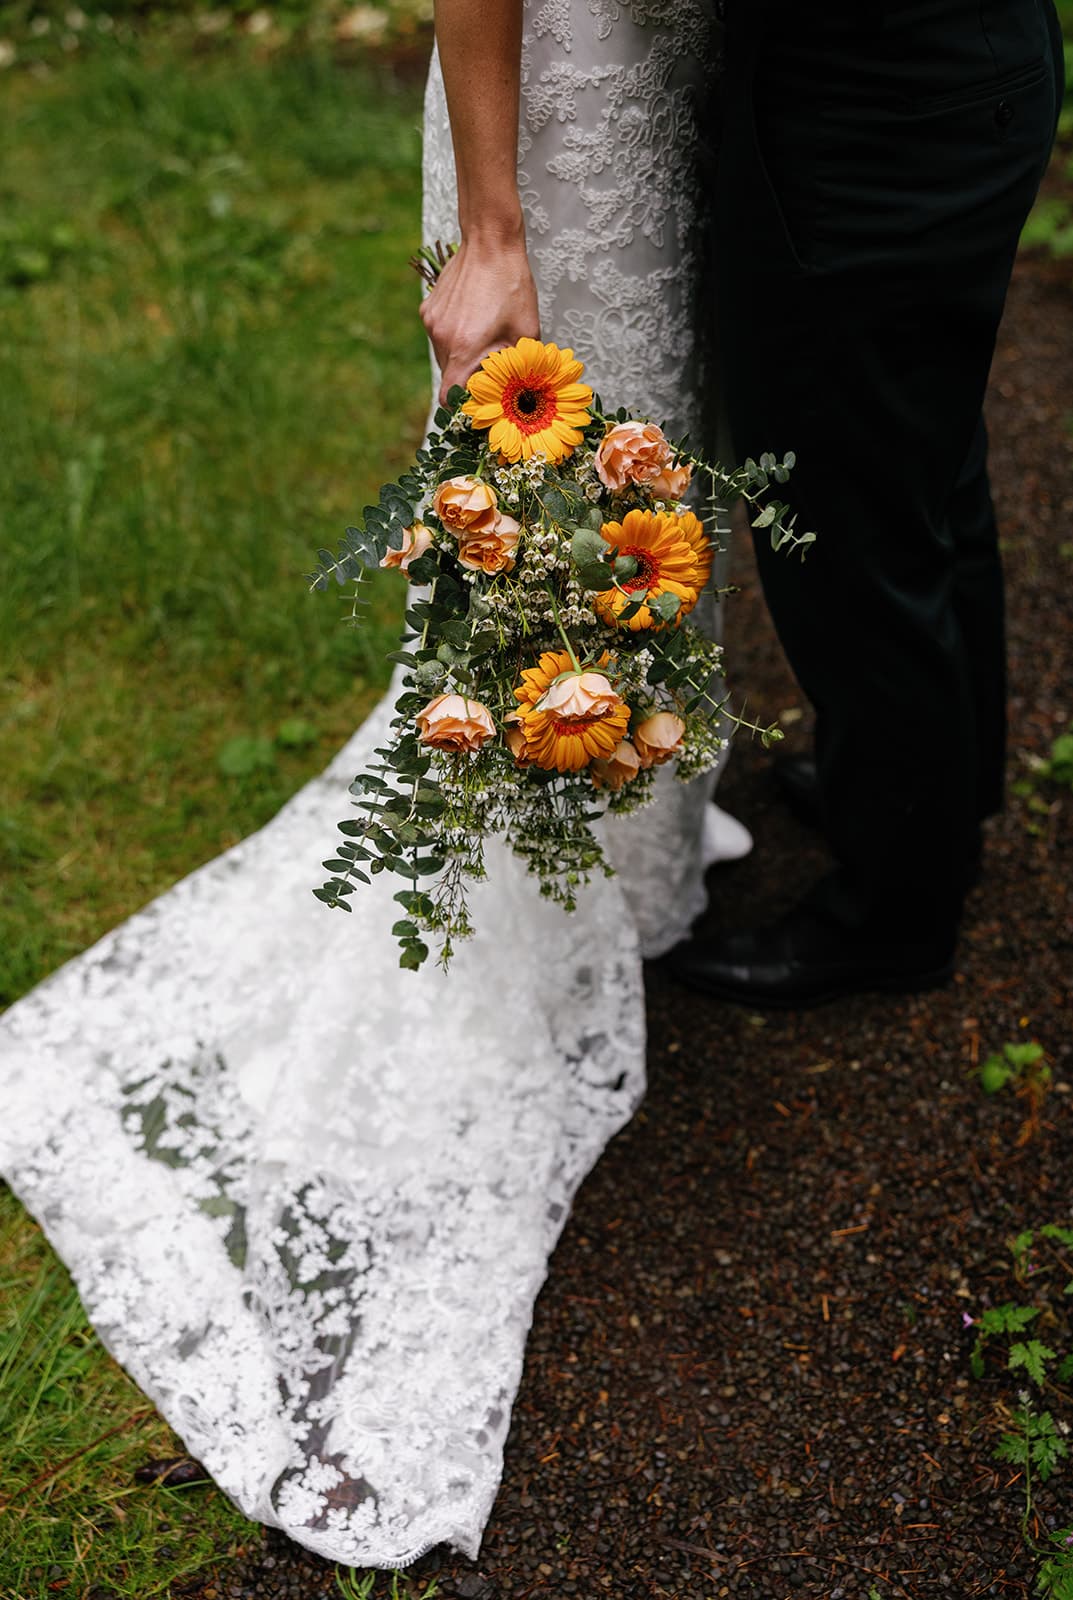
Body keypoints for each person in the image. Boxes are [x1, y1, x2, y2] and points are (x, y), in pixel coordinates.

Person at [0, 0, 745, 1569]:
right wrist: (489, 223)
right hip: (544, 121)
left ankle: (632, 825)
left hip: (679, 102)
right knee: (533, 486)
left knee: (652, 481)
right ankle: (518, 861)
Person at [675, 0, 1064, 1006]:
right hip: (971, 67)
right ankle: (935, 800)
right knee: (926, 464)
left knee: (846, 525)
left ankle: (893, 914)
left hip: (867, 119)